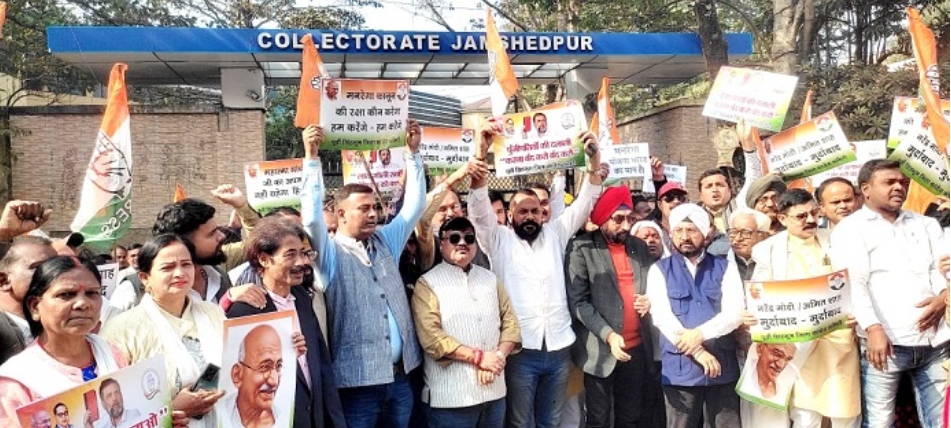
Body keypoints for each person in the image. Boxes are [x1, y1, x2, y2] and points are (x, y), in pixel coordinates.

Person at [467, 122, 604, 428]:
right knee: (520, 422)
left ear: (543, 214)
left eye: (534, 211)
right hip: (519, 349)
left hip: (558, 347)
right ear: (510, 215)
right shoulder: (498, 239)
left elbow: (585, 202)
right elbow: (477, 208)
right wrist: (481, 151)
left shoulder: (556, 234)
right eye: (522, 211)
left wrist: (594, 161)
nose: (529, 216)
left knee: (550, 421)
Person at [301, 121, 425, 428]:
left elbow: (414, 207)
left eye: (374, 208)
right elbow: (312, 219)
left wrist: (413, 154)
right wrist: (312, 158)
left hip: (400, 378)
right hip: (356, 386)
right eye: (363, 209)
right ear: (341, 213)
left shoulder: (386, 241)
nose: (372, 214)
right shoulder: (328, 253)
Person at [831, 159, 948, 428]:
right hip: (885, 346)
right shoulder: (850, 229)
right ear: (866, 189)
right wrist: (873, 329)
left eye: (903, 182)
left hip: (935, 342)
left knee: (942, 420)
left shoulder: (926, 224)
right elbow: (855, 284)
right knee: (879, 422)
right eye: (889, 182)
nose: (899, 187)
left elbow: (940, 268)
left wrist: (944, 297)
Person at [745, 189, 861, 428]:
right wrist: (754, 314)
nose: (810, 220)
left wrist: (856, 313)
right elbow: (761, 293)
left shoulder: (837, 240)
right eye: (801, 216)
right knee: (806, 416)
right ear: (782, 218)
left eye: (813, 213)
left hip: (837, 341)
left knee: (844, 412)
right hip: (797, 344)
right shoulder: (768, 250)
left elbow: (857, 283)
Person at [225, 217, 345, 428]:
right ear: (264, 259)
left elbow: (321, 367)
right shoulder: (245, 312)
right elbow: (232, 379)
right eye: (290, 255)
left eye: (304, 253)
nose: (301, 262)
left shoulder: (302, 299)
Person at [100, 234, 226, 427]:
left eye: (186, 264)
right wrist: (171, 409)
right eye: (168, 267)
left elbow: (232, 362)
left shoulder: (213, 312)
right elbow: (114, 409)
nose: (180, 273)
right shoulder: (122, 330)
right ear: (145, 278)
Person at [566, 186, 664, 428]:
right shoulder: (582, 248)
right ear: (602, 219)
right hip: (599, 349)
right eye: (618, 219)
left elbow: (654, 285)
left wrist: (650, 299)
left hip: (637, 349)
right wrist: (609, 335)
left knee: (630, 417)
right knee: (598, 419)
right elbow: (579, 302)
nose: (626, 225)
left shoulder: (639, 246)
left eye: (630, 218)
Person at [411, 216, 521, 428]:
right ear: (442, 244)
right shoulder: (427, 283)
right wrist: (479, 358)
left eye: (469, 238)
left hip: (494, 392)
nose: (462, 243)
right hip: (451, 399)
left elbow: (511, 324)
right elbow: (432, 338)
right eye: (454, 238)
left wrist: (497, 358)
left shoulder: (490, 279)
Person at [644, 203, 744, 428]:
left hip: (721, 364)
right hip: (681, 367)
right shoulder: (659, 270)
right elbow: (661, 316)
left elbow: (735, 311)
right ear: (671, 234)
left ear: (705, 234)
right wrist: (698, 351)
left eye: (691, 230)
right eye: (679, 230)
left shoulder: (724, 267)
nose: (685, 237)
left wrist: (700, 334)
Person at [0, 256, 126, 426]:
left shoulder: (111, 353)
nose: (83, 303)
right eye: (66, 294)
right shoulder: (15, 382)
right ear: (35, 306)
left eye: (92, 293)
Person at [109, 186, 261, 312]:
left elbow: (260, 243)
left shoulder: (219, 274)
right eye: (211, 234)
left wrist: (241, 206)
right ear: (183, 244)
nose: (221, 236)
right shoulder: (132, 291)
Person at [223, 325, 284, 428]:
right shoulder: (219, 414)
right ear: (237, 375)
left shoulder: (282, 417)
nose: (274, 381)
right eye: (265, 367)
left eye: (279, 366)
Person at [727, 208, 770, 281]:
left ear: (764, 236)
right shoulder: (720, 264)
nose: (737, 239)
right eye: (733, 232)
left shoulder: (776, 261)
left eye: (745, 233)